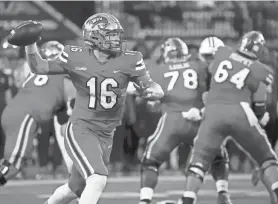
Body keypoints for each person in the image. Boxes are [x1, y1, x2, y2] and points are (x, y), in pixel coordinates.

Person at [18, 13, 164, 204]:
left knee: (74, 188)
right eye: (110, 34)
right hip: (82, 128)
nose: (116, 39)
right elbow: (40, 67)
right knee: (97, 179)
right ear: (95, 37)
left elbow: (152, 85)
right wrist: (30, 44)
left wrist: (153, 91)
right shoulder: (75, 55)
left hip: (107, 133)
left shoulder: (130, 59)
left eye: (116, 34)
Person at [178, 31, 278, 204]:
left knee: (199, 159)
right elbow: (260, 95)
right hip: (239, 111)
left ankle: (189, 197)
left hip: (214, 113)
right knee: (265, 157)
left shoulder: (223, 54)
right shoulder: (260, 70)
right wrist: (261, 115)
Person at [138, 37, 231, 204]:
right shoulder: (200, 65)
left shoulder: (158, 69)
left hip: (172, 120)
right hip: (199, 120)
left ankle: (145, 200)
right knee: (218, 155)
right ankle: (222, 191)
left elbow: (147, 95)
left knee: (151, 161)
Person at [0, 41, 76, 184]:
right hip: (27, 116)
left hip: (11, 113)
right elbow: (70, 100)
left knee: (10, 162)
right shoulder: (65, 74)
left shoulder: (34, 72)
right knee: (12, 166)